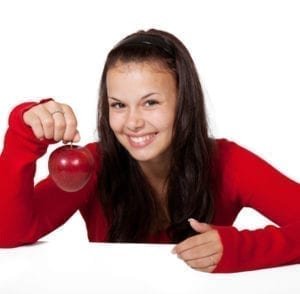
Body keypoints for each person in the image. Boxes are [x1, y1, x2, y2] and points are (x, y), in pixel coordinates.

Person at [0, 29, 299, 274]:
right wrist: (22, 136)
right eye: (118, 105)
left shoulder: (228, 162)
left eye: (151, 102)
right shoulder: (92, 164)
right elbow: (8, 232)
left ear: (184, 103)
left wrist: (240, 248)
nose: (132, 123)